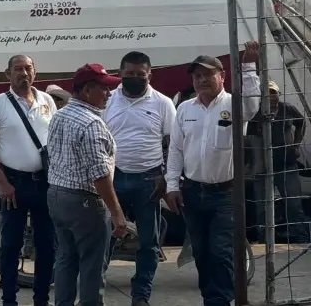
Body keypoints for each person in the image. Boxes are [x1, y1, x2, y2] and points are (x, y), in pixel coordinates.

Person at [165, 44, 262, 306]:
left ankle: (221, 300)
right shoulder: (185, 109)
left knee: (222, 251)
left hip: (226, 193)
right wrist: (172, 185)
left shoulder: (235, 103)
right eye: (197, 76)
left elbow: (253, 107)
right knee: (202, 252)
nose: (202, 80)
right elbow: (175, 149)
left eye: (208, 75)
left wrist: (249, 68)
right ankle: (213, 299)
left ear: (222, 76)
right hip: (193, 192)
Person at [47, 64, 127, 306]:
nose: (109, 94)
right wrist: (117, 214)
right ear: (86, 91)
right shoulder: (91, 124)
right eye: (104, 88)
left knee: (65, 259)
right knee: (92, 266)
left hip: (57, 195)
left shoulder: (59, 115)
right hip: (84, 201)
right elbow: (100, 175)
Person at [0, 54, 56, 306]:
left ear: (35, 71)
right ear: (7, 74)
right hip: (14, 183)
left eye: (28, 68)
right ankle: (9, 299)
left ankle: (41, 299)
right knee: (11, 244)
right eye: (18, 69)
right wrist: (1, 181)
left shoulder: (46, 100)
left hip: (44, 182)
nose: (24, 73)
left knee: (47, 244)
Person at [103, 51, 176, 306]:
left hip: (150, 181)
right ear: (120, 74)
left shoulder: (163, 103)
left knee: (149, 242)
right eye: (130, 74)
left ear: (149, 75)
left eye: (140, 75)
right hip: (113, 179)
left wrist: (167, 176)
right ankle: (95, 289)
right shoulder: (107, 100)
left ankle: (141, 295)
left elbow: (173, 143)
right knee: (106, 236)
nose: (135, 78)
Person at [248, 80, 309, 244]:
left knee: (294, 204)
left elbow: (301, 122)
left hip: (286, 164)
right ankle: (264, 241)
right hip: (263, 169)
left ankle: (301, 239)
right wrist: (253, 164)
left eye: (273, 93)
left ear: (278, 94)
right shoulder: (255, 113)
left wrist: (296, 144)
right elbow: (250, 140)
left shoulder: (287, 108)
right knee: (262, 207)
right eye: (267, 93)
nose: (271, 97)